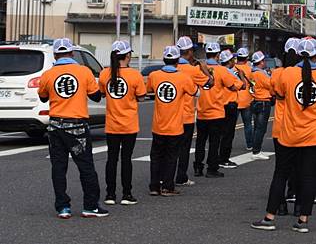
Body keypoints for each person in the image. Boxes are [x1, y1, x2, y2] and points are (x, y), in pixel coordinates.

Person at [251, 38, 316, 233]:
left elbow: (279, 96)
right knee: (309, 177)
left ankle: (270, 217)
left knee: (280, 174)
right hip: (315, 134)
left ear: (297, 54)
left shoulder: (286, 74)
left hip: (289, 133)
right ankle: (303, 220)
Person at [38, 38, 107, 219]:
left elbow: (43, 97)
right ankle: (90, 206)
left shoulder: (48, 74)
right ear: (72, 53)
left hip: (55, 127)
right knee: (86, 166)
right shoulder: (83, 71)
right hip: (77, 127)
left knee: (58, 168)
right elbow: (96, 96)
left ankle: (63, 207)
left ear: (55, 54)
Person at [99, 40, 146, 206]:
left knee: (111, 159)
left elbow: (102, 93)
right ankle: (127, 194)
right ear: (127, 55)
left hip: (112, 123)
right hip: (129, 124)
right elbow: (141, 96)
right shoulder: (135, 75)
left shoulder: (105, 74)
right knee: (127, 159)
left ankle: (110, 194)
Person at [146, 46, 197, 196]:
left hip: (158, 124)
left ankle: (154, 186)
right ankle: (168, 186)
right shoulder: (183, 77)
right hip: (175, 125)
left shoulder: (154, 75)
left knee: (156, 156)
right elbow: (196, 92)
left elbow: (149, 89)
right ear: (177, 61)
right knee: (171, 156)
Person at [194, 44, 243, 178]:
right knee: (214, 142)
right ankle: (211, 168)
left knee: (200, 141)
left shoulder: (198, 69)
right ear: (217, 55)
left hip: (201, 111)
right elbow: (233, 86)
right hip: (216, 111)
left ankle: (198, 167)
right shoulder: (221, 71)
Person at [174, 36, 210, 185]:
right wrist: (204, 69)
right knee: (184, 148)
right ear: (189, 52)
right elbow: (209, 82)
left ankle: (165, 177)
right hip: (186, 115)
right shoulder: (192, 70)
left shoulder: (170, 67)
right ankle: (181, 177)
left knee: (169, 149)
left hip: (169, 115)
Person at [272, 38, 300, 216]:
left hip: (279, 126)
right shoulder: (302, 73)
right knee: (299, 167)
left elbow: (274, 93)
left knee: (280, 169)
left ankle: (279, 205)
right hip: (297, 126)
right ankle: (296, 199)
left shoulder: (276, 73)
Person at [218, 49, 247, 169]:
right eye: (232, 59)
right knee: (228, 134)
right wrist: (241, 76)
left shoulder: (218, 71)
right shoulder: (230, 73)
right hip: (230, 105)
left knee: (219, 134)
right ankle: (224, 159)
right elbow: (243, 85)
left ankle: (217, 158)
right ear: (229, 61)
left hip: (219, 104)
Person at [249, 50, 273, 160]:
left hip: (255, 100)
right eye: (264, 60)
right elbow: (271, 84)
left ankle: (255, 149)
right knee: (261, 128)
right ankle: (256, 151)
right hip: (263, 101)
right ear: (261, 62)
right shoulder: (260, 74)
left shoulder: (252, 72)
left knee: (257, 127)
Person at [235, 48, 254, 151]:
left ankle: (227, 143)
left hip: (234, 100)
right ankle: (250, 144)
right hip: (246, 100)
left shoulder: (232, 68)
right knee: (247, 124)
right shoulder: (249, 69)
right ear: (246, 58)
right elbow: (253, 83)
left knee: (230, 126)